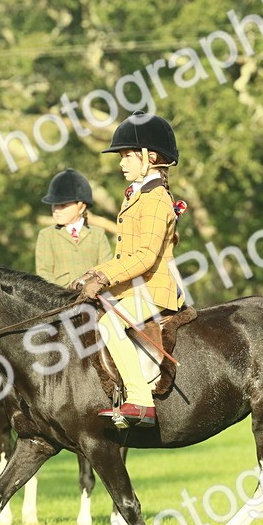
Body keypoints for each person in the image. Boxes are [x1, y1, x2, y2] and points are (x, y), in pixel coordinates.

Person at [72, 112, 185, 428]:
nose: (122, 163)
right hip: (134, 286)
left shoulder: (156, 198)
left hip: (155, 288)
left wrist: (104, 277)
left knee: (109, 325)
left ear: (150, 158)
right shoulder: (138, 195)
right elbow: (126, 254)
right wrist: (92, 273)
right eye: (121, 157)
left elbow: (146, 256)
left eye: (127, 156)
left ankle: (141, 401)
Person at [34, 169, 112, 286]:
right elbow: (44, 274)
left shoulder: (98, 234)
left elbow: (107, 268)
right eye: (54, 205)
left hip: (95, 296)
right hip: (60, 298)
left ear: (81, 207)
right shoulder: (46, 235)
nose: (56, 210)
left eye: (63, 206)